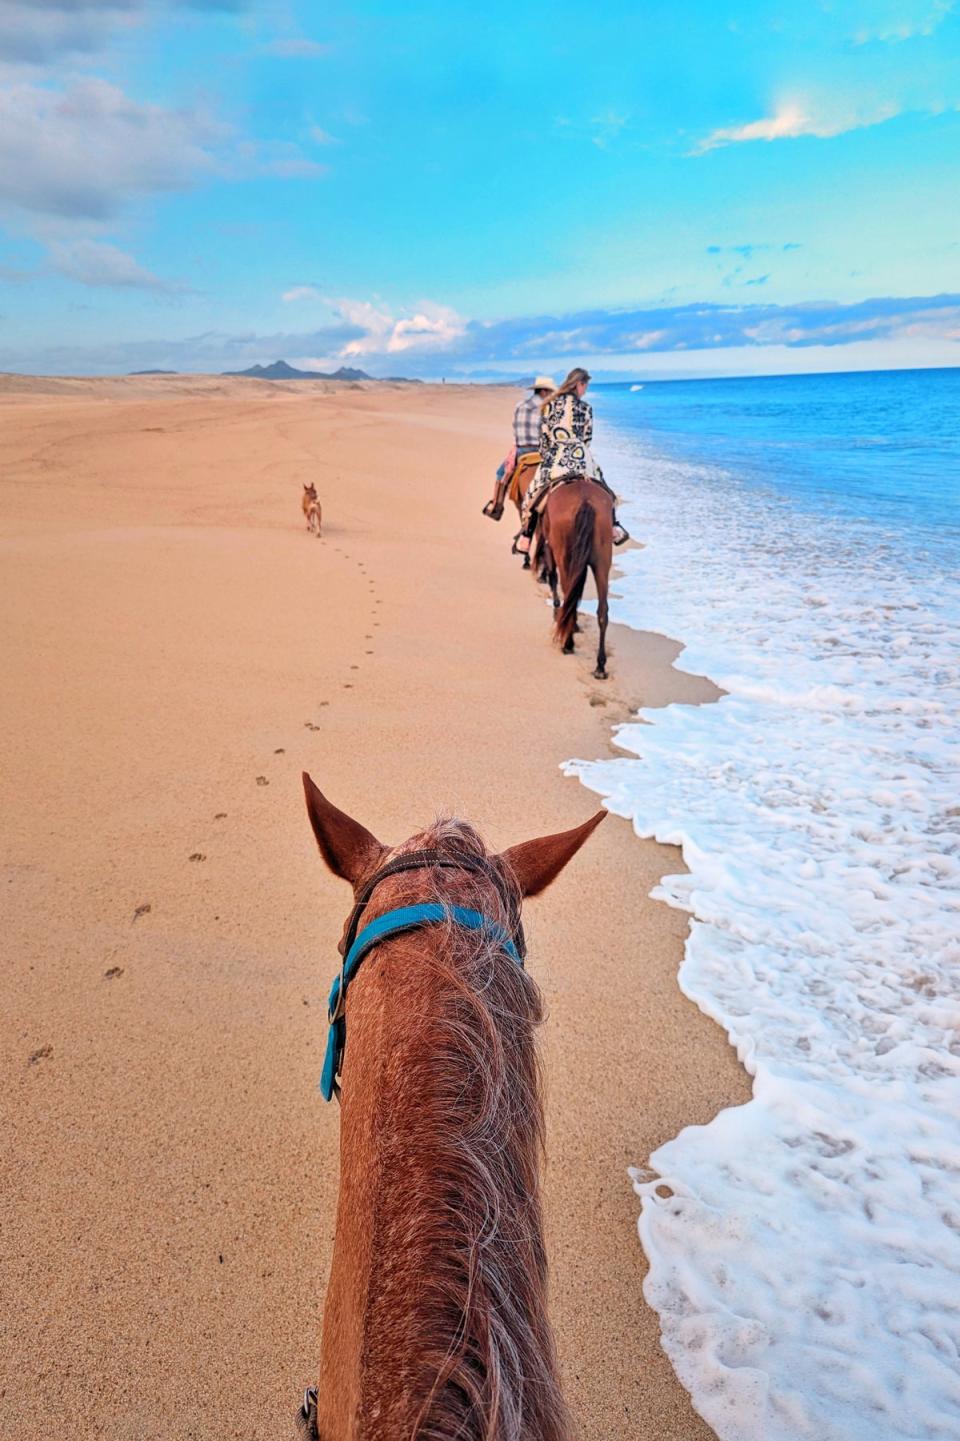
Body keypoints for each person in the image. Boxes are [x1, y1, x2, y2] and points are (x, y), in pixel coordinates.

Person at [515, 367, 629, 551]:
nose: (586, 390)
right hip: (580, 455)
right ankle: (614, 525)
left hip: (555, 454)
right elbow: (587, 438)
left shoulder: (549, 405)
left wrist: (547, 456)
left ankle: (526, 536)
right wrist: (579, 452)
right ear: (579, 384)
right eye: (585, 386)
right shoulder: (586, 408)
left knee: (533, 491)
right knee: (603, 484)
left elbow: (544, 436)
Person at [482, 375, 556, 521]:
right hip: (541, 451)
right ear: (543, 392)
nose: (552, 395)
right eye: (550, 392)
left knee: (500, 474)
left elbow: (515, 430)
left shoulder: (520, 405)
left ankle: (496, 506)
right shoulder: (548, 408)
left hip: (522, 451)